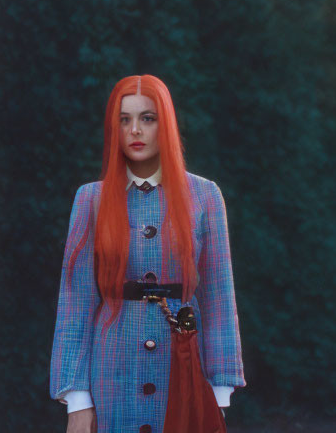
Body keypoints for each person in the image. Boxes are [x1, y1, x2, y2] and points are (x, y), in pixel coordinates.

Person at [50, 75, 246, 433]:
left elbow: (218, 296)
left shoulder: (204, 196)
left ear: (165, 124)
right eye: (124, 119)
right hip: (111, 370)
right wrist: (78, 400)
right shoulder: (90, 200)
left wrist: (219, 393)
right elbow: (76, 302)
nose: (135, 130)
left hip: (184, 363)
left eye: (148, 118)